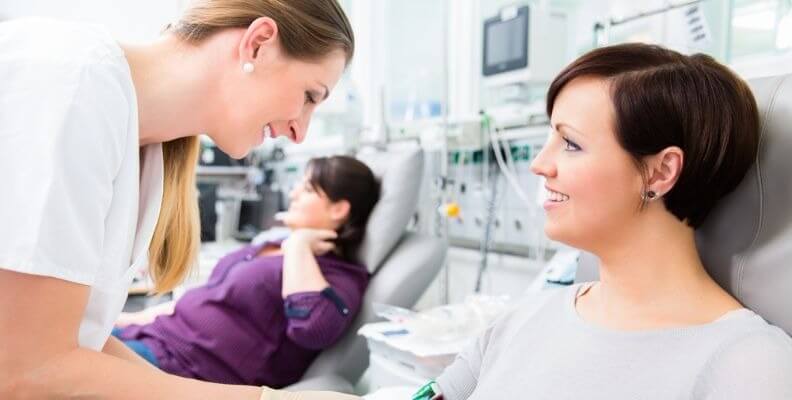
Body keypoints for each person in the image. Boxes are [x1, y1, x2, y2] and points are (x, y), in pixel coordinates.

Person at [0, 1, 364, 398]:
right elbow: (27, 369)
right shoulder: (76, 84)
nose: (300, 134)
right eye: (310, 95)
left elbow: (71, 339)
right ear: (258, 44)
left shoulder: (145, 150)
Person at [431, 43, 792, 399]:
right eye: (550, 137)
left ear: (660, 172)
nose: (539, 163)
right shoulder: (521, 321)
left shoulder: (750, 366)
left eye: (570, 143)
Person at [113, 156, 380, 387]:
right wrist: (125, 319)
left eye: (308, 189)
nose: (294, 193)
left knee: (76, 366)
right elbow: (208, 297)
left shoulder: (340, 275)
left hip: (186, 368)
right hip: (156, 338)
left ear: (339, 209)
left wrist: (299, 244)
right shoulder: (272, 245)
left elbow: (313, 328)